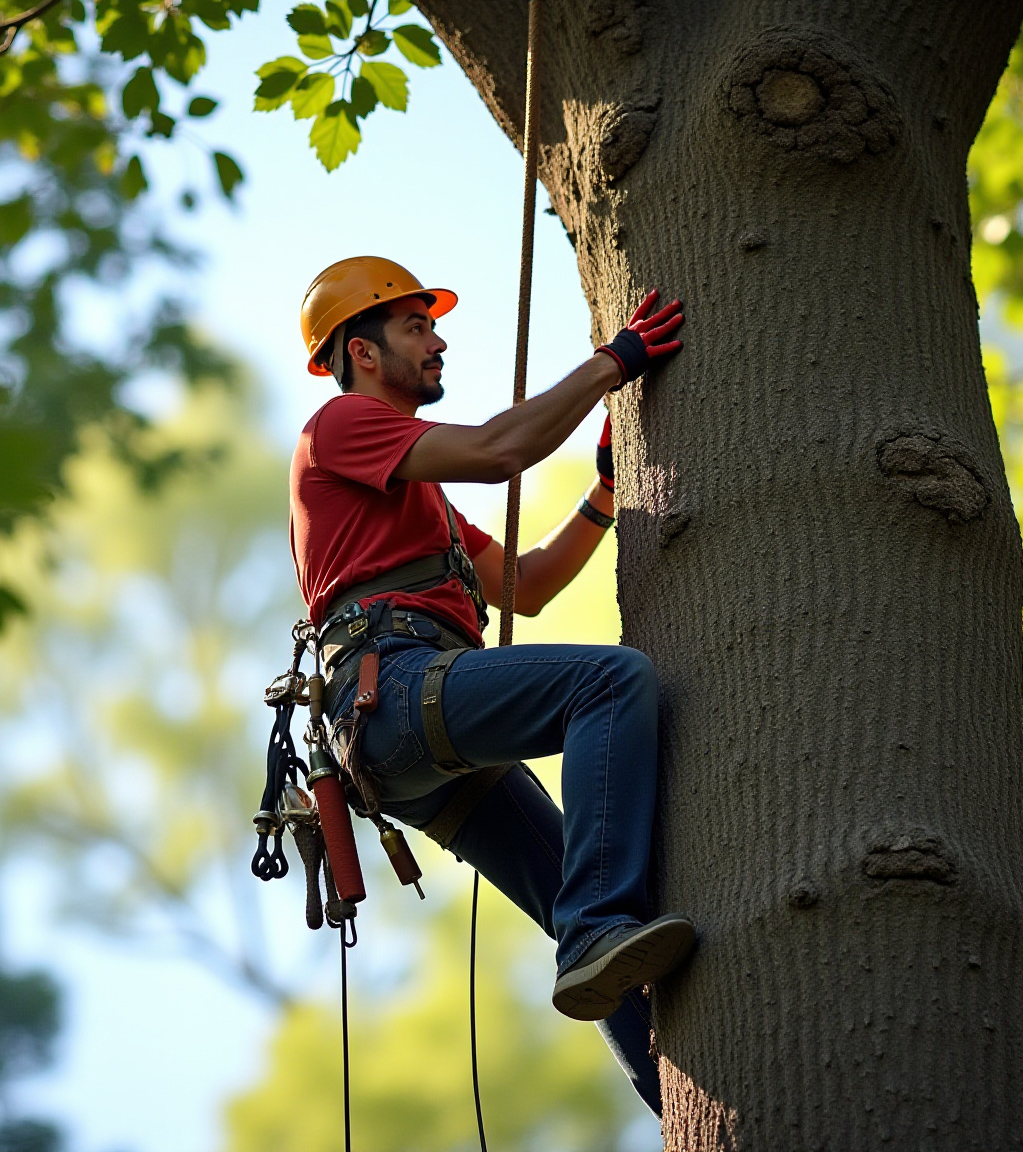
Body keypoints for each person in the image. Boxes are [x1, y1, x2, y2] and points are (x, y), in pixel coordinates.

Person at [287, 255, 693, 1112]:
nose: (437, 343)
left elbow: (527, 586)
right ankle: (595, 925)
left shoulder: (419, 494)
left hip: (409, 738)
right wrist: (614, 363)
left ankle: (682, 1106)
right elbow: (499, 450)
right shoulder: (341, 426)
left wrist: (605, 493)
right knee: (610, 685)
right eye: (415, 327)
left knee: (601, 936)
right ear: (360, 352)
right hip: (393, 691)